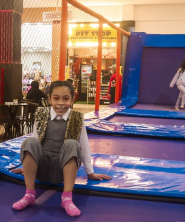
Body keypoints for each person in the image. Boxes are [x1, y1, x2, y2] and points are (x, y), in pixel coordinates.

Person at [11, 80, 111, 217]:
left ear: (72, 100)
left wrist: (90, 172)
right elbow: (35, 140)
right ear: (50, 99)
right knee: (29, 141)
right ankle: (29, 194)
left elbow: (84, 145)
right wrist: (28, 167)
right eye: (56, 98)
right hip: (42, 168)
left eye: (66, 99)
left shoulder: (77, 118)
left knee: (72, 144)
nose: (60, 103)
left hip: (61, 171)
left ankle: (67, 198)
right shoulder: (41, 115)